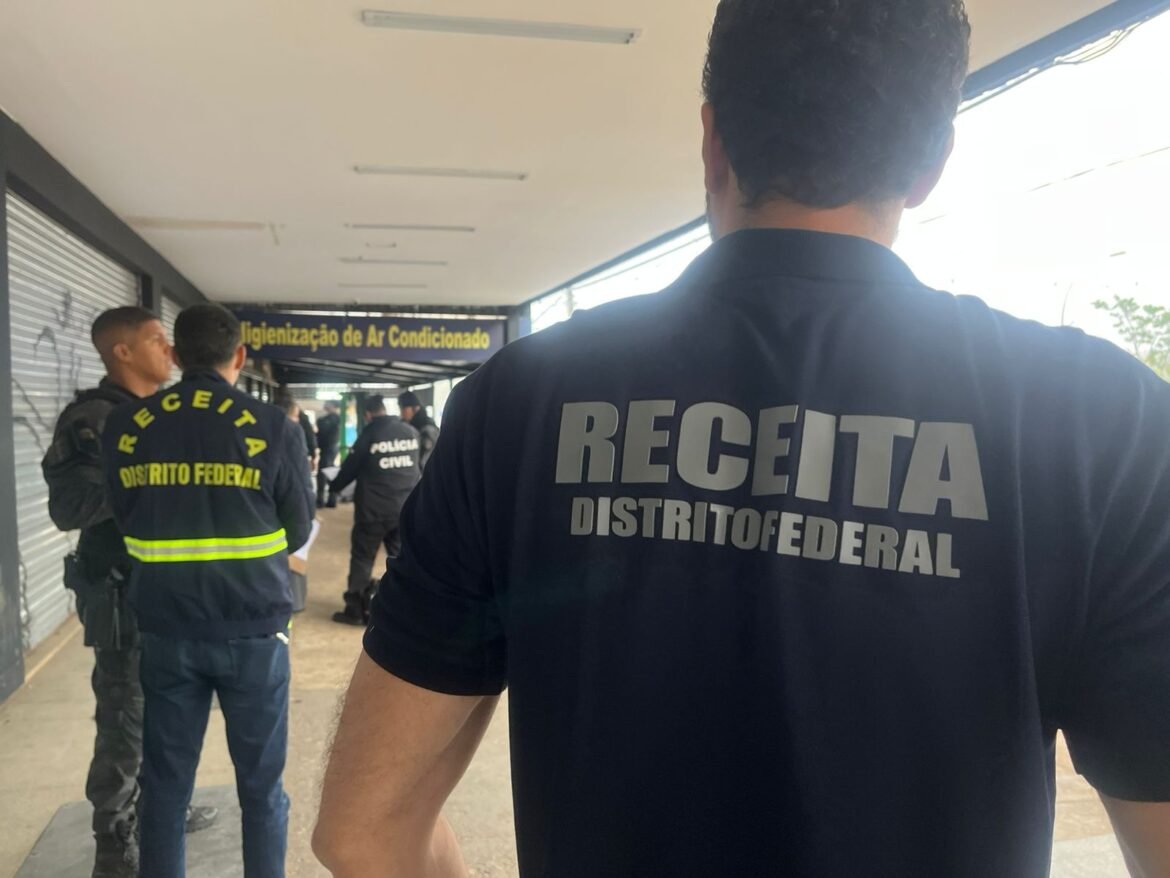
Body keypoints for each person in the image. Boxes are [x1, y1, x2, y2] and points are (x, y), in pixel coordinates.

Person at [315, 1, 1170, 876]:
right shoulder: (1102, 422)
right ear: (930, 165)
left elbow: (362, 831)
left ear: (713, 141)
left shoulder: (520, 401)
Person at [104, 303, 314, 878]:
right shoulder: (275, 427)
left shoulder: (126, 426)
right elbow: (298, 528)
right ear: (239, 356)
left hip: (167, 628)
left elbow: (123, 515)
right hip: (255, 631)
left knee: (166, 788)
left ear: (175, 356)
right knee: (262, 789)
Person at [40, 307, 218, 878]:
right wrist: (148, 484)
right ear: (123, 352)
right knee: (125, 719)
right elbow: (69, 507)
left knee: (171, 712)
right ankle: (114, 842)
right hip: (123, 596)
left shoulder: (162, 413)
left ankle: (159, 811)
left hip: (173, 594)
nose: (169, 350)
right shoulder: (93, 418)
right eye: (157, 340)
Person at [327, 396, 420, 626]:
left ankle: (355, 610)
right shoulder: (410, 432)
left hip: (373, 511)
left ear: (368, 414)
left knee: (362, 557)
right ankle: (406, 608)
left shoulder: (370, 434)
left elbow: (349, 469)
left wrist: (334, 486)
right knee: (401, 558)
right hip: (404, 508)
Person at [397, 391, 440, 470]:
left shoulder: (427, 429)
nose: (401, 413)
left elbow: (425, 460)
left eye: (403, 409)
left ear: (415, 408)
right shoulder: (415, 425)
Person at [316, 401, 342, 508]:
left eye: (327, 403)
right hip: (330, 448)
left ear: (333, 406)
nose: (325, 405)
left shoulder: (333, 418)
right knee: (328, 472)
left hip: (329, 448)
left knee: (323, 474)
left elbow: (322, 426)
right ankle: (331, 499)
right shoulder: (333, 418)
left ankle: (322, 500)